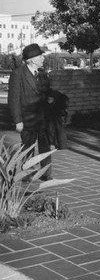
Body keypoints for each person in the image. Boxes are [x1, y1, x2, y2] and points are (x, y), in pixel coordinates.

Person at [8, 43, 53, 181]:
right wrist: (17, 120)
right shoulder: (18, 74)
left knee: (45, 146)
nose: (43, 59)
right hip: (27, 119)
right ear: (32, 59)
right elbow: (14, 99)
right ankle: (26, 174)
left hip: (43, 118)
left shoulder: (42, 73)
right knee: (28, 147)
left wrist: (50, 97)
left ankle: (46, 174)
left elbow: (46, 92)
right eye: (40, 57)